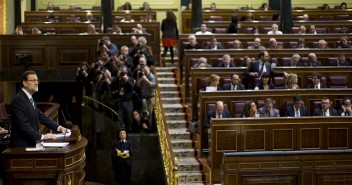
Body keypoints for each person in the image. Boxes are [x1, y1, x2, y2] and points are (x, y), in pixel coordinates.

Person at [10, 71, 70, 147]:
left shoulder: (29, 98)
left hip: (30, 143)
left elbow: (41, 116)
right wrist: (42, 136)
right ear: (25, 83)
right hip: (21, 147)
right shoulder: (19, 100)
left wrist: (60, 128)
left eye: (37, 80)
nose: (37, 83)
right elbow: (24, 125)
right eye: (33, 80)